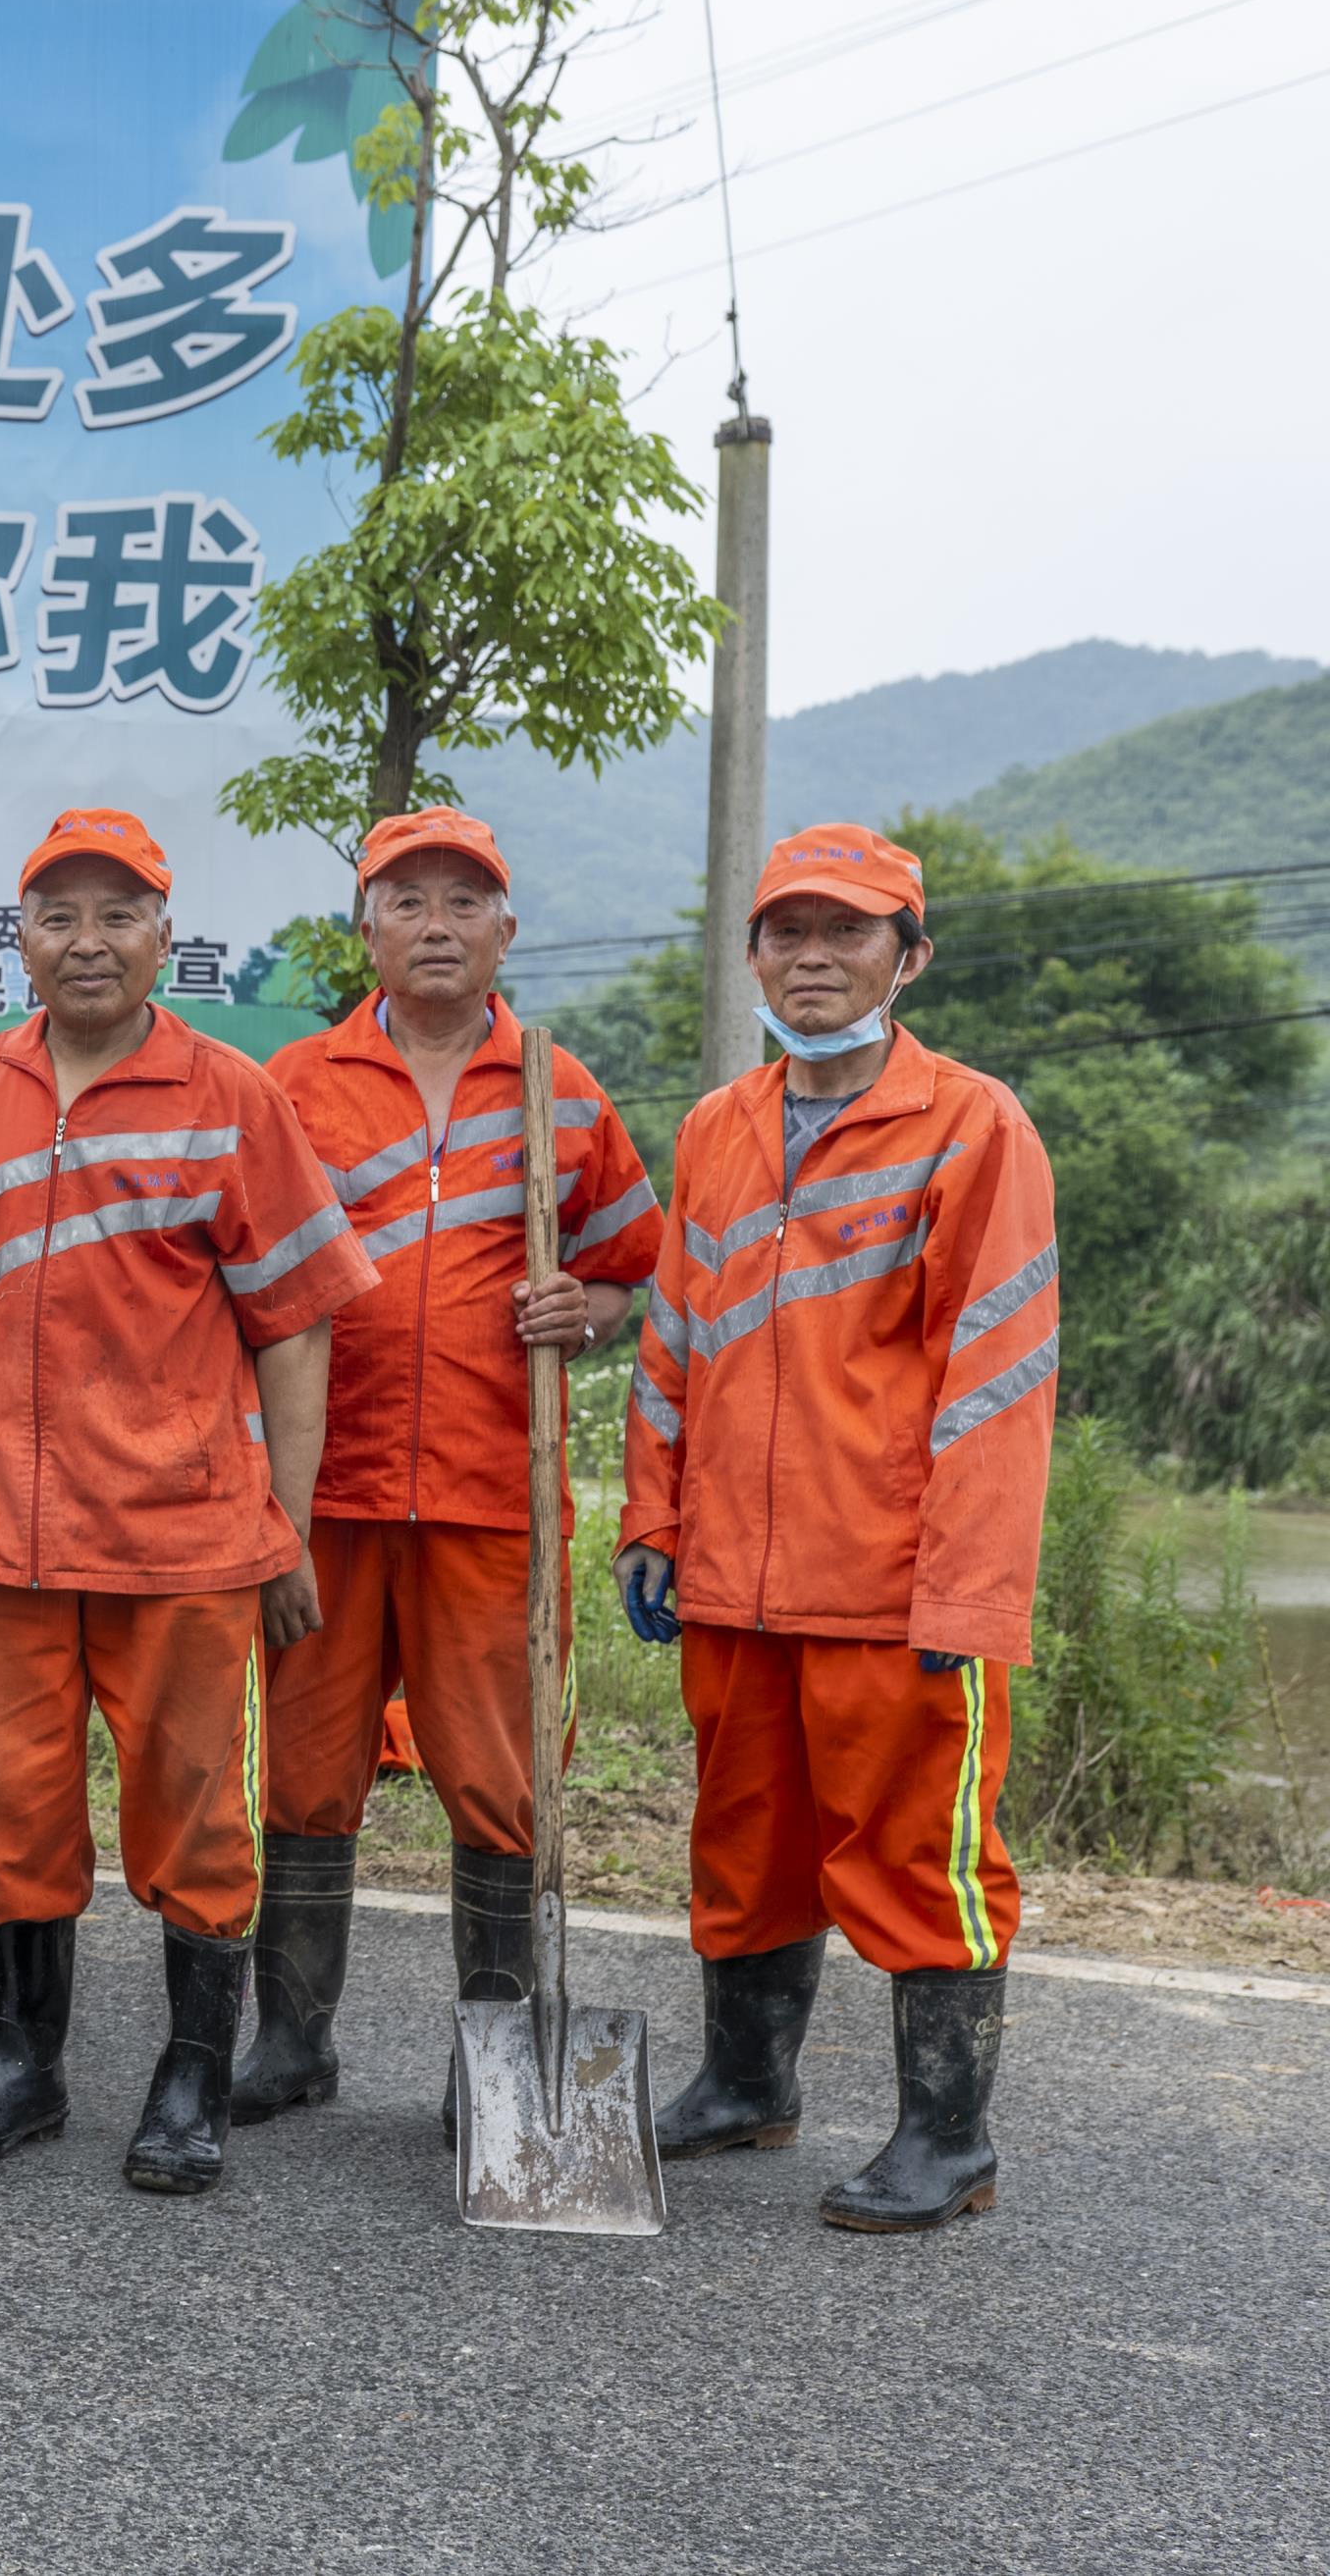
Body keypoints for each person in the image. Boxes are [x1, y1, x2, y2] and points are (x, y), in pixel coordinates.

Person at [0, 808, 373, 2195]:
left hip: (183, 1539)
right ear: (18, 940)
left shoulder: (230, 1096)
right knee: (6, 1818)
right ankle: (21, 2066)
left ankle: (190, 2074)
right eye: (58, 915)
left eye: (116, 913)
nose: (88, 941)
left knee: (196, 1819)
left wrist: (291, 1527)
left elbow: (299, 1322)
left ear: (162, 935)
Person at [621, 821, 1057, 2232]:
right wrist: (650, 1515)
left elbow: (998, 1380)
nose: (812, 957)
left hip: (891, 1585)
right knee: (741, 1846)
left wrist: (969, 1598)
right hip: (738, 1582)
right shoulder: (717, 1128)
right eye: (786, 931)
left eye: (848, 932)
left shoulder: (974, 1126)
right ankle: (747, 2083)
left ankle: (951, 2137)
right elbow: (674, 1345)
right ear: (751, 954)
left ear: (908, 957)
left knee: (926, 1857)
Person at [242, 808, 663, 2124]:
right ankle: (293, 2039)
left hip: (491, 1489)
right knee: (309, 1766)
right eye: (408, 899)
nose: (436, 922)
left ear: (506, 932)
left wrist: (577, 1307)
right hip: (329, 1487)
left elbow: (630, 1269)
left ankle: (493, 2059)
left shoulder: (559, 1086)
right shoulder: (295, 1084)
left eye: (463, 901)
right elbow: (245, 1270)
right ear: (364, 928)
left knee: (498, 1771)